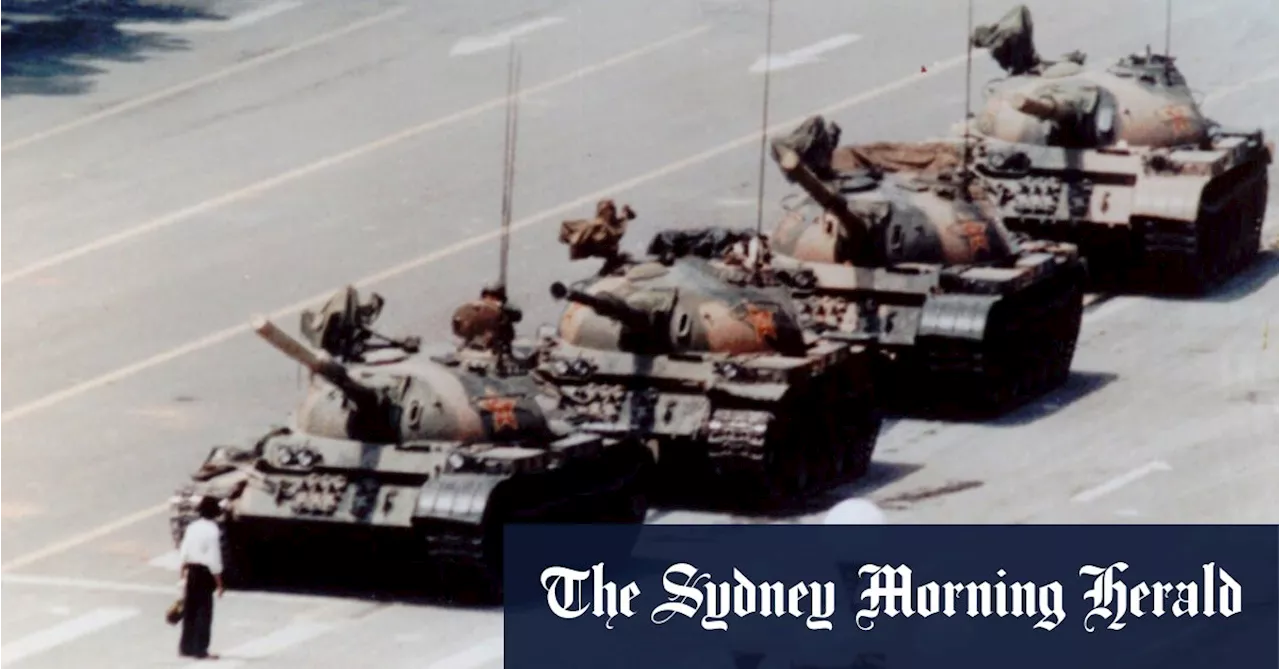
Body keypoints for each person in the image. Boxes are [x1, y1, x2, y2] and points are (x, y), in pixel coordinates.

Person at [178, 496, 225, 660]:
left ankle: (186, 647)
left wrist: (182, 571)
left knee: (190, 609)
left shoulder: (192, 527)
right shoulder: (213, 530)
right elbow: (214, 558)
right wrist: (219, 583)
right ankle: (201, 649)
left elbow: (184, 550)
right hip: (205, 573)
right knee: (204, 612)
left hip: (191, 570)